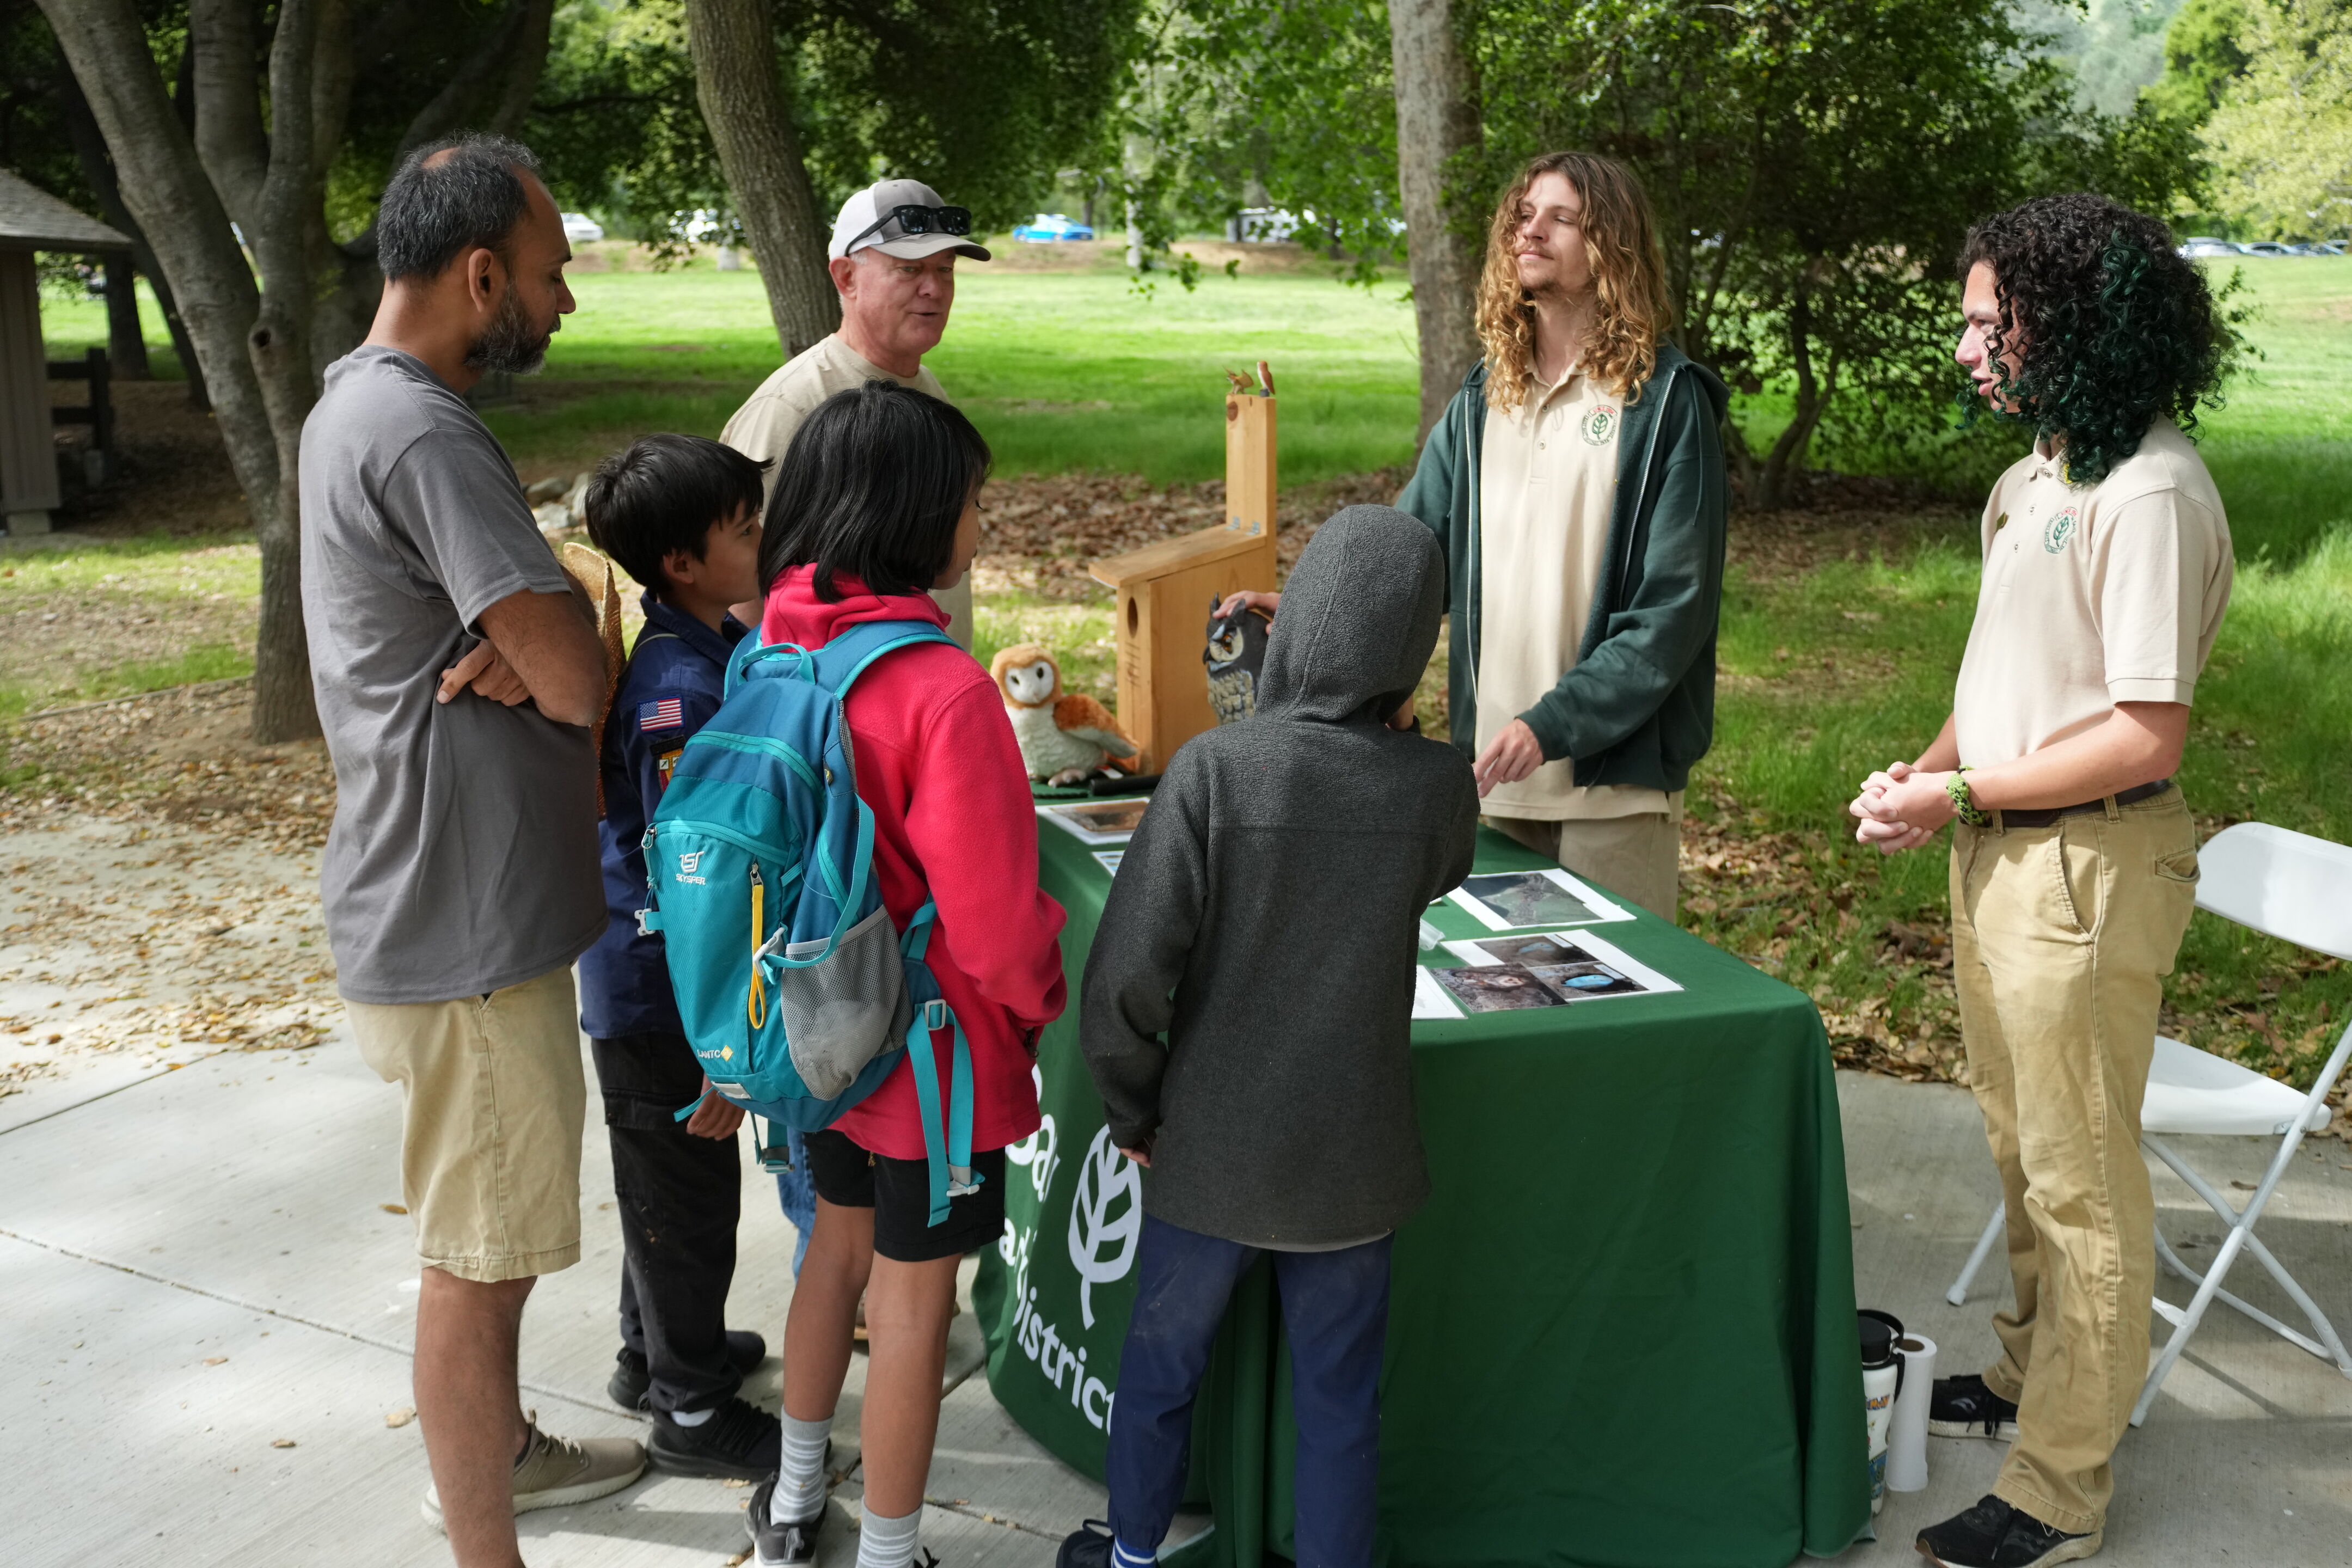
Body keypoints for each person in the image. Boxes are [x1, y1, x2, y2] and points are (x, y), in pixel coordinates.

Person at [1849, 192, 2234, 1568]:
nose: (1963, 346)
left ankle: (2062, 1481)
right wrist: (1927, 776)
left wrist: (1962, 789)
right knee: (2022, 1147)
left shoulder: (2152, 493)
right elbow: (1999, 680)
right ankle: (2028, 1373)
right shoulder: (2036, 474)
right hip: (1996, 847)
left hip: (2091, 863)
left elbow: (2142, 728)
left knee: (2083, 1178)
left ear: (2062, 320)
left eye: (1981, 320)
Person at [298, 134, 644, 1565]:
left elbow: (538, 636)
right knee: (478, 1264)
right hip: (465, 932)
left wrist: (539, 614)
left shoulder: (354, 405)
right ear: (482, 271)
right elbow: (580, 677)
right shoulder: (428, 430)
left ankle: (505, 1453)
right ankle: (484, 1543)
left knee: (481, 1236)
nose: (564, 304)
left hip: (436, 905)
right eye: (552, 275)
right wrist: (570, 618)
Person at [1062, 505, 1480, 1568]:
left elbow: (1123, 982)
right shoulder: (1437, 788)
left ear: (1296, 627)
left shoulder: (1215, 771)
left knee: (1160, 1373)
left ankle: (1133, 1554)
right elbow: (1439, 866)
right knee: (1341, 1404)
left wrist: (1134, 1107)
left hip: (1210, 1147)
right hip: (1357, 1158)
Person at [1221, 151, 1726, 920]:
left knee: (1602, 1029)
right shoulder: (1486, 395)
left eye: (1563, 217)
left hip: (1612, 790)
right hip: (1490, 779)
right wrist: (1310, 609)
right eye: (1525, 215)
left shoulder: (1665, 404)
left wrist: (1552, 724)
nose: (1533, 230)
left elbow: (1671, 616)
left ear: (1611, 245)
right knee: (1508, 1010)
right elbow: (1407, 553)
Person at [744, 381, 1068, 1568]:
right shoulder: (942, 689)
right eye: (975, 501)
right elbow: (990, 932)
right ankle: (887, 1554)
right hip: (928, 1063)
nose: (981, 522)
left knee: (830, 1253)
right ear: (918, 513)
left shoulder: (776, 644)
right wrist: (1042, 1004)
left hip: (812, 1035)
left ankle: (789, 1506)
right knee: (915, 1301)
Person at [573, 434, 784, 1477]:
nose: (763, 535)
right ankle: (692, 1412)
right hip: (665, 994)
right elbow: (689, 883)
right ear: (681, 567)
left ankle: (650, 1354)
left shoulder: (710, 647)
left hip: (660, 991)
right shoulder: (677, 695)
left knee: (662, 1187)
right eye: (744, 528)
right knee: (689, 1204)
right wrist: (722, 1045)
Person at [720, 177, 989, 652]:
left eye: (945, 270)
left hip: (928, 697)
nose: (934, 289)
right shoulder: (791, 407)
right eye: (910, 270)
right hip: (840, 715)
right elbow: (735, 590)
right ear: (846, 277)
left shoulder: (927, 390)